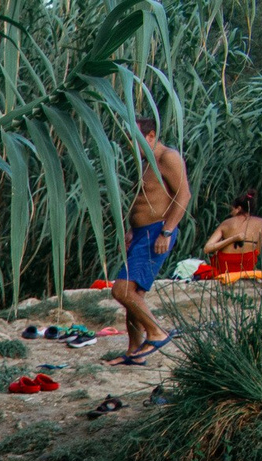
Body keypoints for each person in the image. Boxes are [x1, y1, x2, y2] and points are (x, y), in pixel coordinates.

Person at [109, 116, 191, 365]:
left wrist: (166, 232)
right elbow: (145, 198)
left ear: (151, 136)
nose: (131, 147)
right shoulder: (146, 162)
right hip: (141, 233)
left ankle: (157, 333)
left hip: (157, 232)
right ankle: (134, 352)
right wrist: (132, 230)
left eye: (136, 141)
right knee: (134, 294)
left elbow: (184, 195)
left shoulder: (167, 157)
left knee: (121, 290)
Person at [196, 192, 262, 279]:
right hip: (247, 265)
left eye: (232, 209)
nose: (231, 213)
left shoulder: (226, 223)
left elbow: (207, 249)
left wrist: (232, 239)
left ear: (238, 209)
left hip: (225, 266)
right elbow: (257, 250)